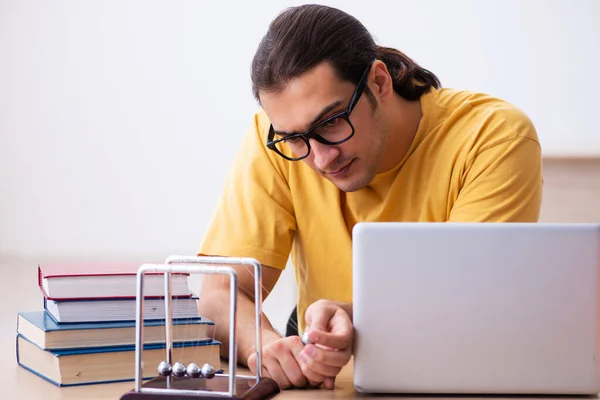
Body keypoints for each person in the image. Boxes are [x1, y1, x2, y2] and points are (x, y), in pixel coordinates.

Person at [196, 3, 543, 391]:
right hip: (331, 386)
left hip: (447, 381)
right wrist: (263, 344)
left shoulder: (493, 138)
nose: (321, 158)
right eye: (295, 139)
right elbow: (219, 293)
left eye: (330, 123)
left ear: (379, 82)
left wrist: (358, 319)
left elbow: (469, 304)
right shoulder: (274, 139)